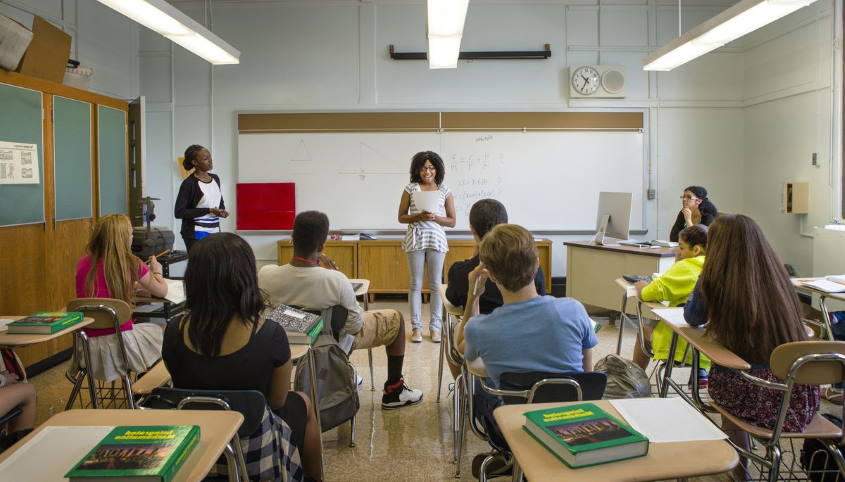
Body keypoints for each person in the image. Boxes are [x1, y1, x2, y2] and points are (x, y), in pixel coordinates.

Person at [162, 233, 320, 481]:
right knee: (302, 401)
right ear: (245, 276)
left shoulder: (173, 330)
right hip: (253, 453)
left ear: (193, 279)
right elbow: (277, 401)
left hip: (194, 447)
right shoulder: (270, 333)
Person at [684, 214, 819, 479]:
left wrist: (701, 279)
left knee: (727, 380)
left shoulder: (712, 278)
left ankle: (740, 473)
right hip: (797, 393)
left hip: (748, 390)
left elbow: (692, 317)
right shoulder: (779, 275)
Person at [258, 211, 423, 410]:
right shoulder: (336, 280)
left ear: (293, 240)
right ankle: (394, 392)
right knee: (396, 320)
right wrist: (334, 275)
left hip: (286, 345)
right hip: (327, 345)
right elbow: (354, 326)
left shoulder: (266, 274)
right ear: (321, 246)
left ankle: (344, 374)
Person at [461, 224, 597, 465]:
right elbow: (587, 373)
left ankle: (508, 458)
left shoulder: (479, 327)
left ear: (490, 275)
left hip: (511, 430)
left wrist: (474, 295)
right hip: (573, 424)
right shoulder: (573, 309)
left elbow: (461, 351)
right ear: (536, 263)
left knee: (481, 387)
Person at [75, 214, 168, 382]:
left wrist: (130, 286)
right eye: (131, 234)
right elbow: (161, 291)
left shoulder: (82, 264)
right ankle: (148, 383)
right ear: (123, 239)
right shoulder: (131, 263)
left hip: (87, 346)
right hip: (122, 346)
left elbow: (101, 290)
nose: (133, 238)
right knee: (167, 330)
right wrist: (156, 271)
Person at [632, 224, 711, 385]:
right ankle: (699, 370)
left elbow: (649, 293)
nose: (678, 252)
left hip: (682, 340)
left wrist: (641, 288)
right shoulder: (716, 266)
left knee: (644, 330)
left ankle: (634, 381)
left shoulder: (687, 266)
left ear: (696, 250)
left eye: (681, 247)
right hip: (710, 344)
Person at [446, 198, 546, 315]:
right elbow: (540, 296)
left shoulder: (461, 272)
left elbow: (452, 300)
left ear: (472, 229)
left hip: (482, 330)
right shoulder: (530, 266)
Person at [397, 151, 456, 343]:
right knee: (415, 284)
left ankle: (435, 328)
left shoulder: (444, 190)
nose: (427, 171)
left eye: (431, 167)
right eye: (423, 167)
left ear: (437, 169)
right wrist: (418, 217)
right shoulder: (410, 188)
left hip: (436, 240)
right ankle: (416, 328)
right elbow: (401, 217)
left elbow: (452, 221)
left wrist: (435, 218)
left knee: (435, 285)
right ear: (417, 169)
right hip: (415, 238)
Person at [174, 144, 229, 253]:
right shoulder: (189, 183)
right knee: (199, 267)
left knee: (214, 265)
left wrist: (221, 212)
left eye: (210, 157)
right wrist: (208, 210)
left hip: (214, 230)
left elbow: (219, 202)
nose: (210, 161)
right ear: (195, 162)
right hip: (195, 233)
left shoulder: (215, 179)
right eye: (205, 158)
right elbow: (179, 212)